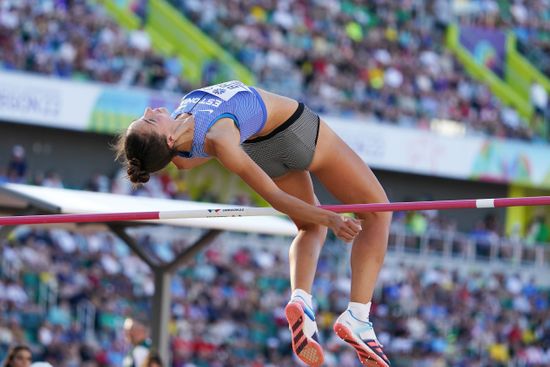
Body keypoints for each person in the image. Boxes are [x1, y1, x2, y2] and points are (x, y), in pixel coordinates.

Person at [115, 80, 392, 367]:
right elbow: (274, 197)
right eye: (150, 118)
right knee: (378, 212)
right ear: (168, 139)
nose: (151, 108)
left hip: (258, 147)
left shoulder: (186, 152)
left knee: (309, 227)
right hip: (295, 129)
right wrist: (331, 218)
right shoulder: (218, 139)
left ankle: (301, 300)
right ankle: (358, 316)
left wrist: (321, 219)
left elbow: (183, 152)